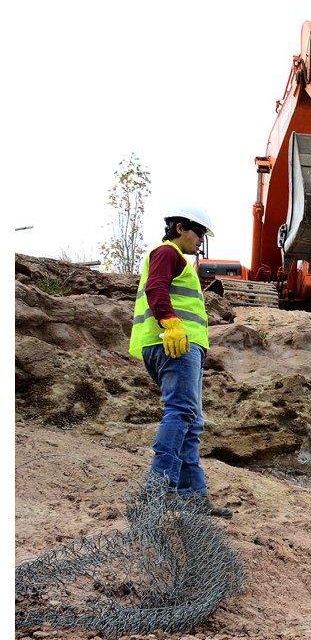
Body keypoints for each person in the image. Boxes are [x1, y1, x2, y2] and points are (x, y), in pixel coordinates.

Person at [128, 207, 232, 518]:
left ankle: (192, 496)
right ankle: (159, 488)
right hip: (174, 344)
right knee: (182, 411)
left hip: (181, 346)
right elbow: (156, 288)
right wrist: (171, 323)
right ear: (179, 228)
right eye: (198, 233)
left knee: (192, 419)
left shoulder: (178, 260)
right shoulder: (167, 252)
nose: (201, 240)